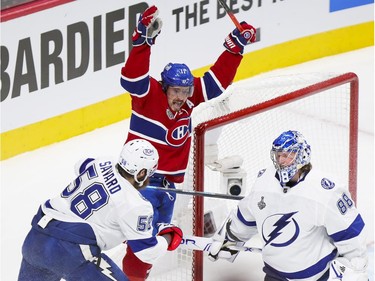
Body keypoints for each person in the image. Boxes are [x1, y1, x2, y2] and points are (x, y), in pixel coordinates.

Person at [120, 4, 257, 280]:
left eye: (185, 91)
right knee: (138, 247)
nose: (181, 96)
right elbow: (131, 77)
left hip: (169, 189)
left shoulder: (189, 100)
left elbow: (215, 83)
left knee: (152, 249)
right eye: (176, 91)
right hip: (140, 185)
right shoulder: (147, 98)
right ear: (164, 87)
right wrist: (141, 41)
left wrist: (235, 48)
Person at [208, 130, 369, 281]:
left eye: (287, 155)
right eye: (278, 155)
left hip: (316, 277)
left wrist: (355, 269)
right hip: (274, 275)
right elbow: (245, 218)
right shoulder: (265, 181)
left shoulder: (325, 191)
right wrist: (227, 239)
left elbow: (350, 233)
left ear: (302, 156)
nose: (281, 161)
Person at [17, 139, 183, 281]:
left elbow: (80, 165)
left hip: (36, 239)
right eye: (149, 174)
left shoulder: (100, 162)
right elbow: (147, 251)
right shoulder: (136, 204)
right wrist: (168, 237)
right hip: (70, 252)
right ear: (141, 173)